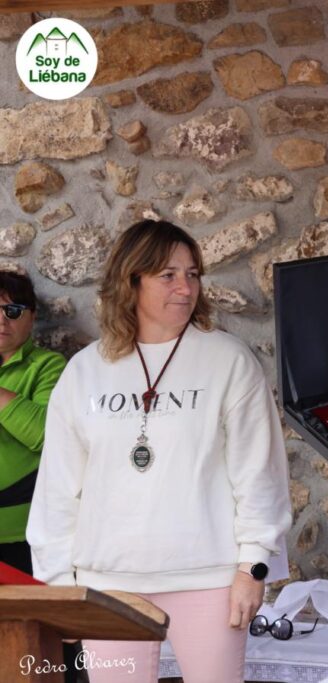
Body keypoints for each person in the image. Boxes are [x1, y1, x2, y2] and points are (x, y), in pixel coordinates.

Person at [27, 220, 291, 682]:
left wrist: (253, 568)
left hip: (208, 579)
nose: (185, 288)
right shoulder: (84, 372)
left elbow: (259, 473)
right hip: (108, 585)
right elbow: (58, 488)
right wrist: (60, 586)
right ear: (131, 281)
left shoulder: (228, 360)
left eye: (192, 274)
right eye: (168, 275)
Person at [0, 272, 66, 573]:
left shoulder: (48, 366)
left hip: (21, 532)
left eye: (12, 311)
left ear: (32, 317)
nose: (2, 321)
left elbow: (44, 434)